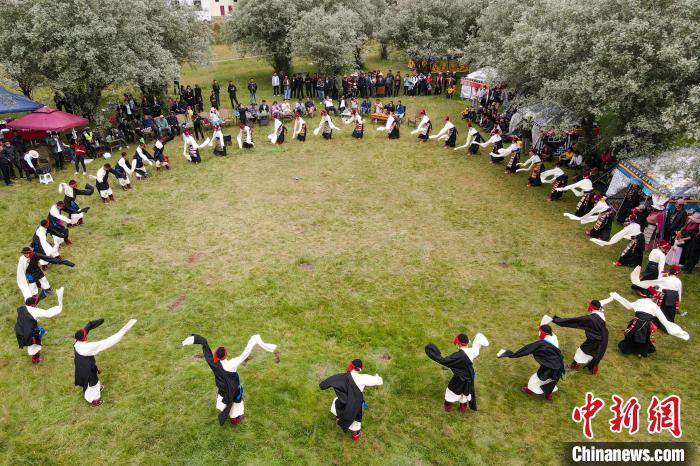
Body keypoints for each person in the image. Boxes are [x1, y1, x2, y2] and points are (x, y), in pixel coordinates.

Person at [182, 334, 277, 426]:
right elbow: (245, 354)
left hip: (223, 389)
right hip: (233, 390)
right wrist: (253, 341)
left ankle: (227, 412)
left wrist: (196, 340)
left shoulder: (214, 363)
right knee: (235, 403)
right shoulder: (231, 364)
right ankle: (234, 420)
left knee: (226, 400)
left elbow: (207, 352)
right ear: (225, 355)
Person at [74, 318, 137, 407]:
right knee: (93, 384)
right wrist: (122, 332)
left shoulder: (77, 343)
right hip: (87, 370)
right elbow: (107, 342)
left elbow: (87, 327)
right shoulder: (88, 347)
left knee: (90, 382)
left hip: (80, 366)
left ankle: (94, 389)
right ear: (85, 337)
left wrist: (99, 321)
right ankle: (93, 401)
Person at [497, 319, 565, 401]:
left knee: (537, 378)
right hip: (559, 364)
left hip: (550, 366)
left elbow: (526, 350)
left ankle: (530, 390)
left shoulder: (541, 344)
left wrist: (510, 354)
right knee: (551, 379)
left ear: (543, 333)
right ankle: (548, 394)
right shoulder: (553, 337)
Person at [319, 359, 383, 442]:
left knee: (336, 401)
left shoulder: (340, 377)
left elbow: (325, 383)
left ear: (351, 366)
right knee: (356, 419)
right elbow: (380, 381)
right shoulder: (363, 378)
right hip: (353, 406)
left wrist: (322, 386)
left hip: (342, 403)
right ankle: (355, 435)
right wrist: (377, 376)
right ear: (360, 369)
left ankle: (339, 418)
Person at [609, 291, 689, 357]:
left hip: (636, 323)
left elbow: (628, 306)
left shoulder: (639, 301)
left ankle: (629, 350)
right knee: (643, 339)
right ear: (654, 298)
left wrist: (617, 296)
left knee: (632, 336)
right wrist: (676, 331)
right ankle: (638, 352)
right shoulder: (654, 306)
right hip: (645, 325)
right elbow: (664, 320)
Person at [425, 333, 489, 412]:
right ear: (468, 342)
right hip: (469, 377)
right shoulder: (472, 351)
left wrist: (431, 351)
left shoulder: (458, 356)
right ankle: (463, 408)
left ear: (458, 344)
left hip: (460, 378)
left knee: (451, 391)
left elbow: (444, 361)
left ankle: (447, 407)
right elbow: (476, 348)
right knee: (465, 393)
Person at [552, 298, 613, 374]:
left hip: (595, 339)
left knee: (581, 351)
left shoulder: (591, 319)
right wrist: (611, 298)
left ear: (592, 307)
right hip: (604, 337)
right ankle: (594, 368)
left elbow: (575, 321)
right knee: (596, 352)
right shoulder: (601, 313)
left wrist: (557, 320)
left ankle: (574, 366)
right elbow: (602, 302)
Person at [15, 287, 64, 364]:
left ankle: (34, 357)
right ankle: (35, 359)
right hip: (29, 333)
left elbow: (34, 303)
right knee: (35, 344)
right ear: (32, 305)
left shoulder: (23, 309)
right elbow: (48, 314)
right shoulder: (34, 311)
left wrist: (42, 294)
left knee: (33, 342)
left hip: (20, 330)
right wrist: (59, 307)